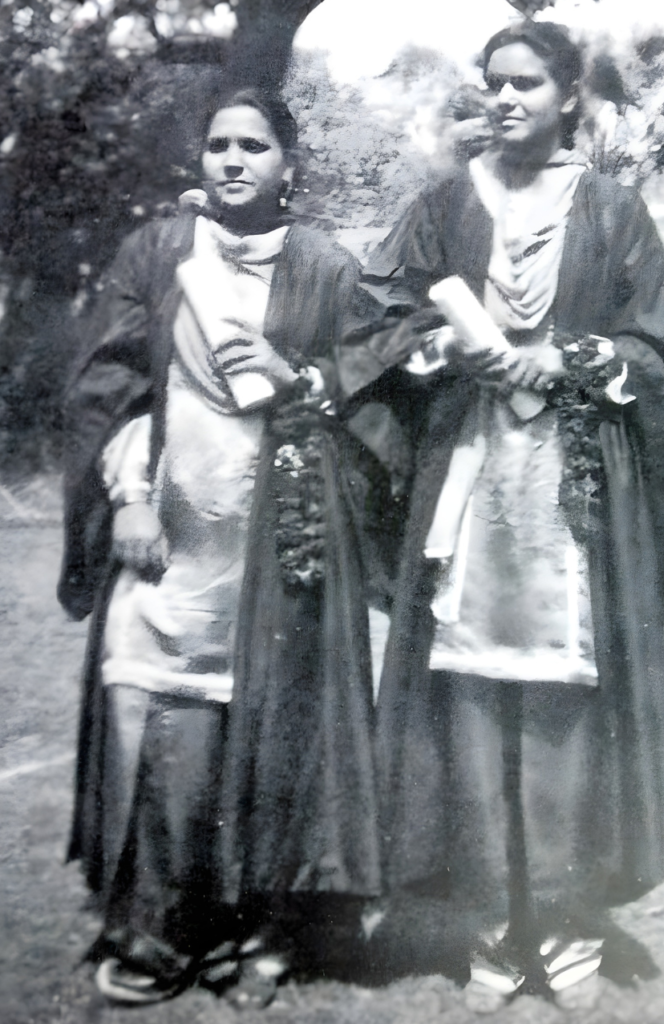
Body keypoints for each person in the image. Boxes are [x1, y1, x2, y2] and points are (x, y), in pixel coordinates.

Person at [345, 20, 664, 1012]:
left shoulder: (612, 210)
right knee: (470, 701)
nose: (505, 99)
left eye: (526, 84)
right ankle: (492, 928)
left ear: (568, 97)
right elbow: (376, 322)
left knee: (563, 706)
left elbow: (658, 350)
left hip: (576, 489)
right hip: (469, 483)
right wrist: (441, 351)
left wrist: (575, 357)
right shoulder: (442, 205)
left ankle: (562, 922)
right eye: (494, 82)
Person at [58, 85, 386, 1005]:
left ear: (289, 164)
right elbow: (111, 385)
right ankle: (163, 926)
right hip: (168, 532)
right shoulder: (160, 252)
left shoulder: (326, 267)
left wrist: (302, 378)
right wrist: (128, 496)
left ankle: (272, 932)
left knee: (278, 725)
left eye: (254, 145)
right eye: (218, 145)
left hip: (279, 535)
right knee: (157, 714)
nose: (234, 160)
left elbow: (371, 392)